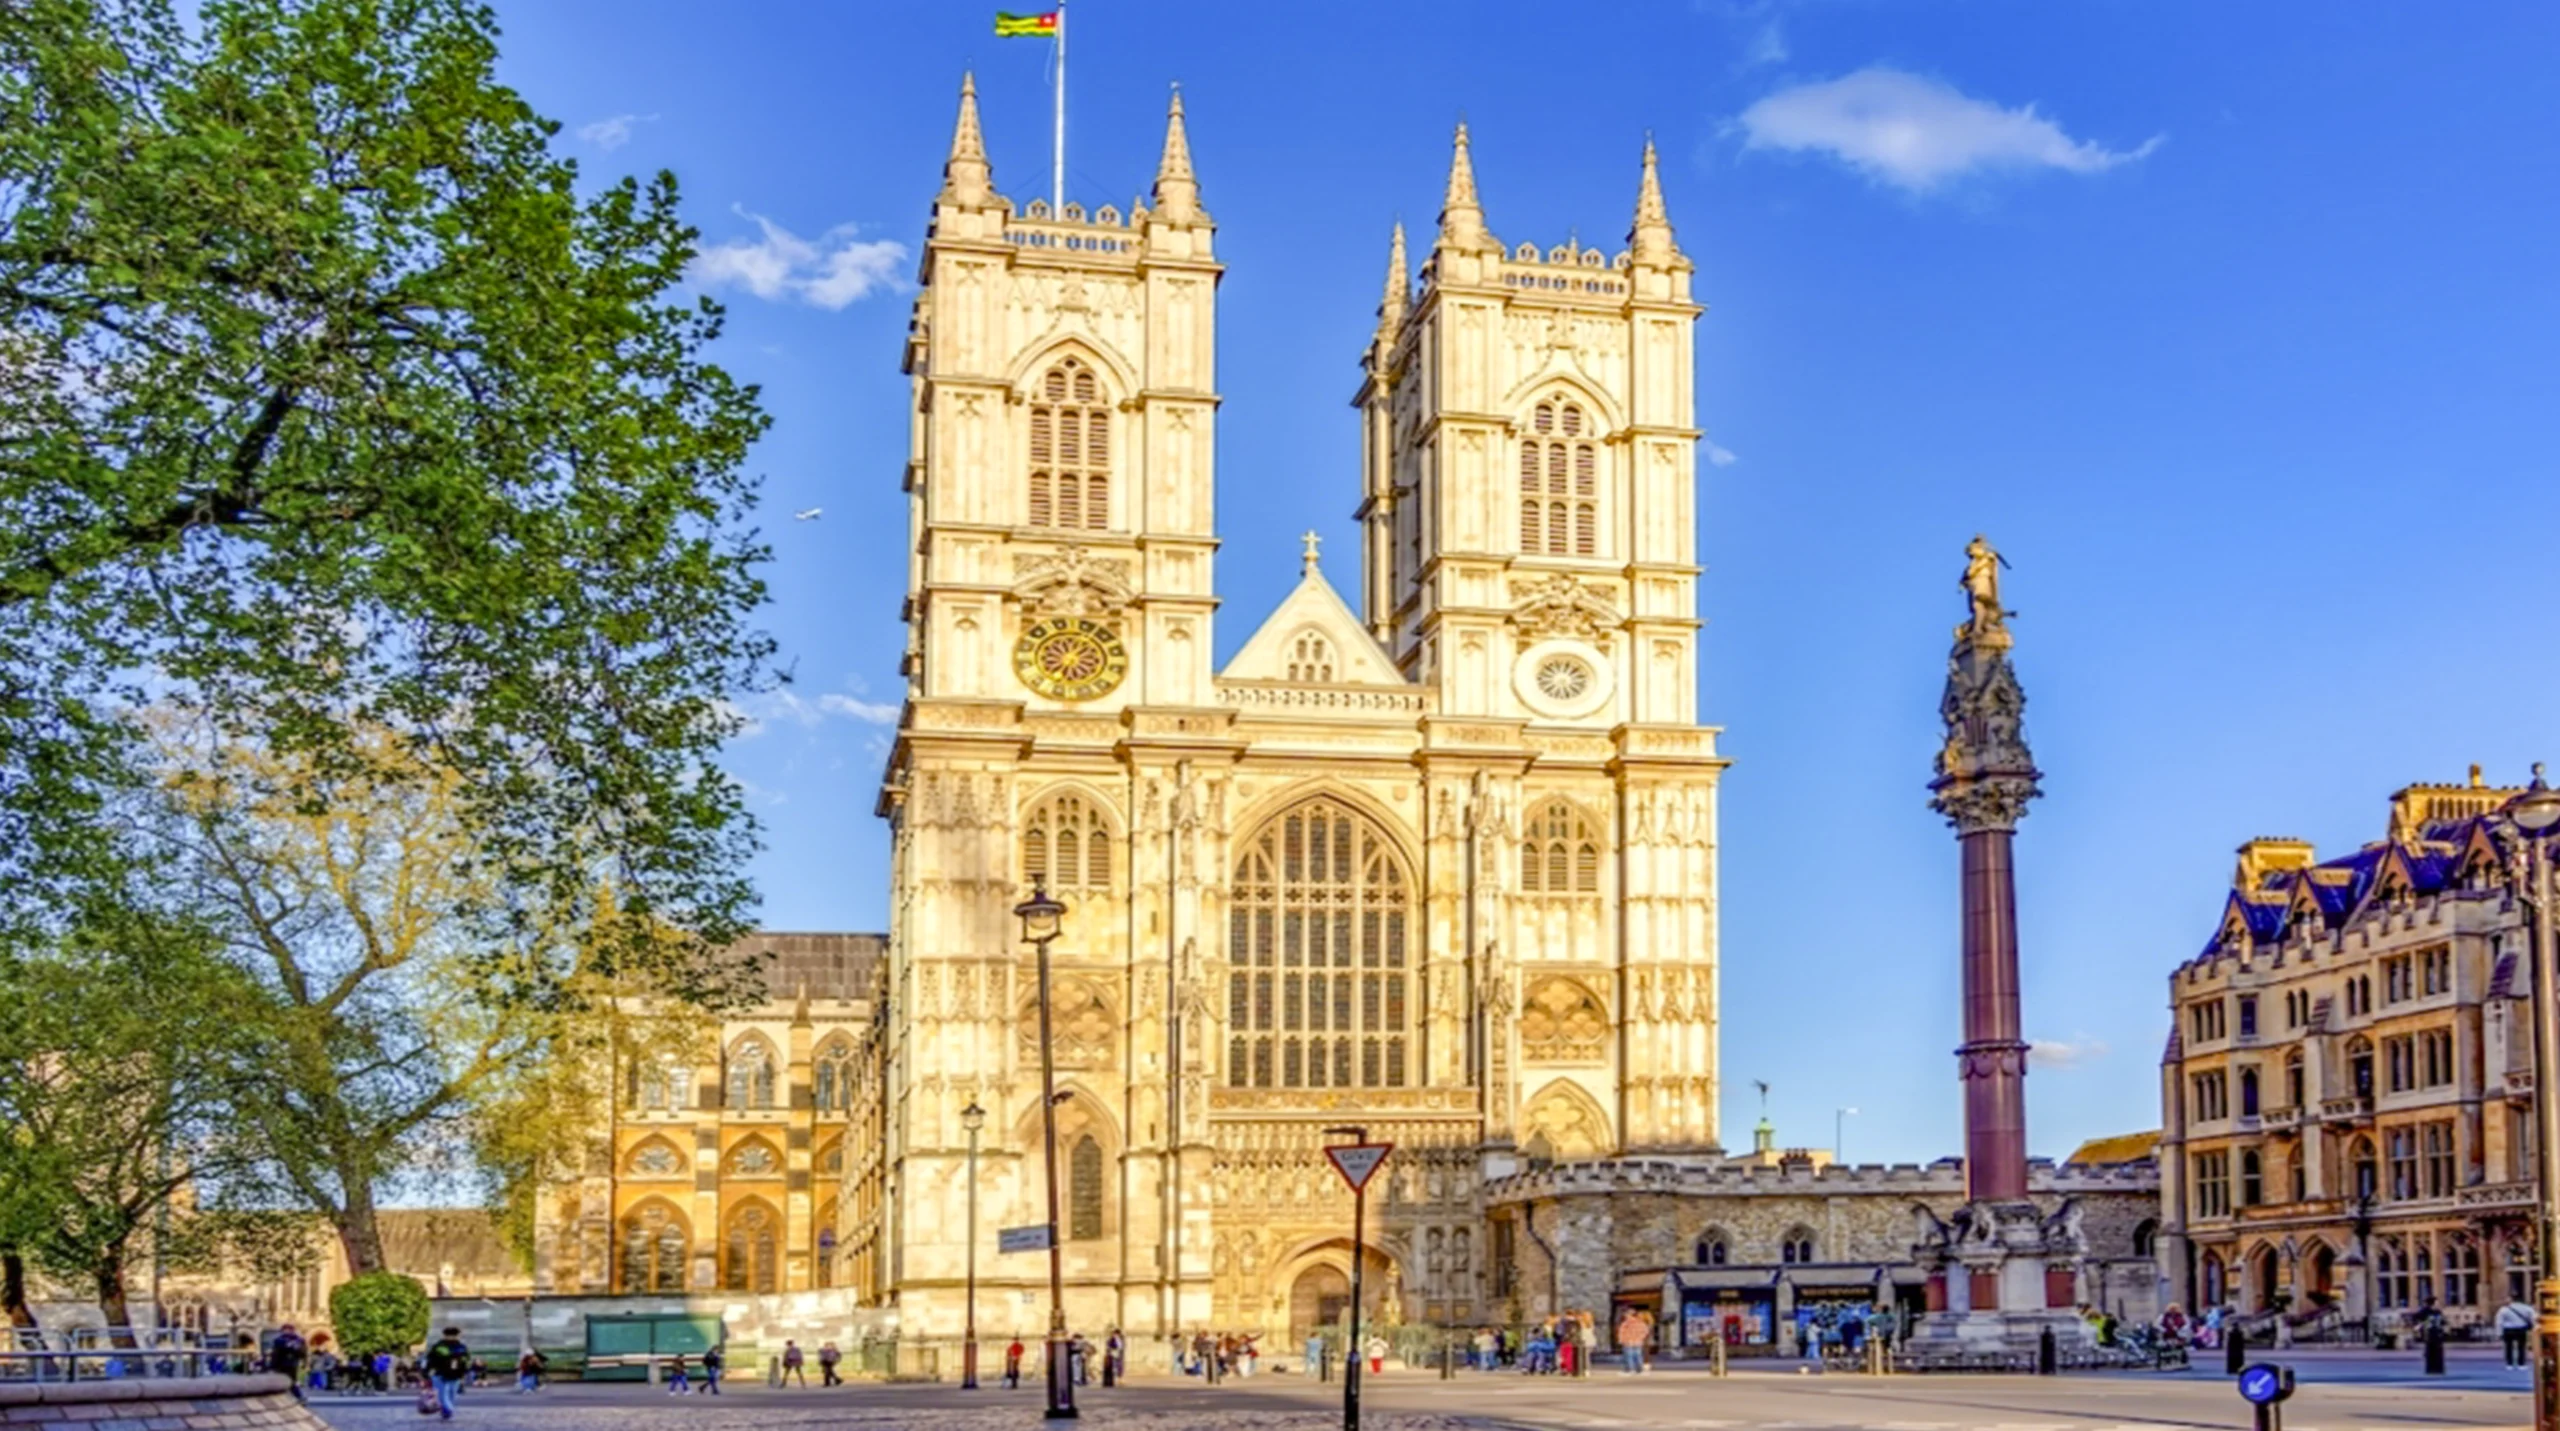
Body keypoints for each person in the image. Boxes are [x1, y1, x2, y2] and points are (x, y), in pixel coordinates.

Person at [423, 1327, 471, 1422]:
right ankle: (448, 1410)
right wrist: (426, 1372)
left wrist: (464, 1372)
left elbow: (466, 1361)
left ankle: (446, 1409)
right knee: (443, 1394)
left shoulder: (461, 1347)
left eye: (454, 1336)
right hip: (440, 1374)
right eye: (451, 1336)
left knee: (451, 1394)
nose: (453, 1337)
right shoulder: (439, 1347)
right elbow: (430, 1360)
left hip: (454, 1374)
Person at [270, 1325, 309, 1403]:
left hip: (289, 1364)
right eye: (285, 1330)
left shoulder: (297, 1340)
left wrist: (304, 1362)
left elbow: (303, 1353)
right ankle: (296, 1397)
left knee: (290, 1382)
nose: (286, 1331)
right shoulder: (280, 1340)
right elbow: (275, 1354)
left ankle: (298, 1397)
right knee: (287, 1381)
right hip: (284, 1364)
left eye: (287, 1330)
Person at [2500, 1295, 2535, 1367]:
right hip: (2521, 1328)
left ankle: (2509, 1364)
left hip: (2508, 1329)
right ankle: (2521, 1364)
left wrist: (2499, 1332)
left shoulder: (2504, 1309)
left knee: (2508, 1347)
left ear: (2512, 1300)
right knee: (2521, 1347)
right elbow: (2533, 1317)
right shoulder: (2527, 1308)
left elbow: (2499, 1321)